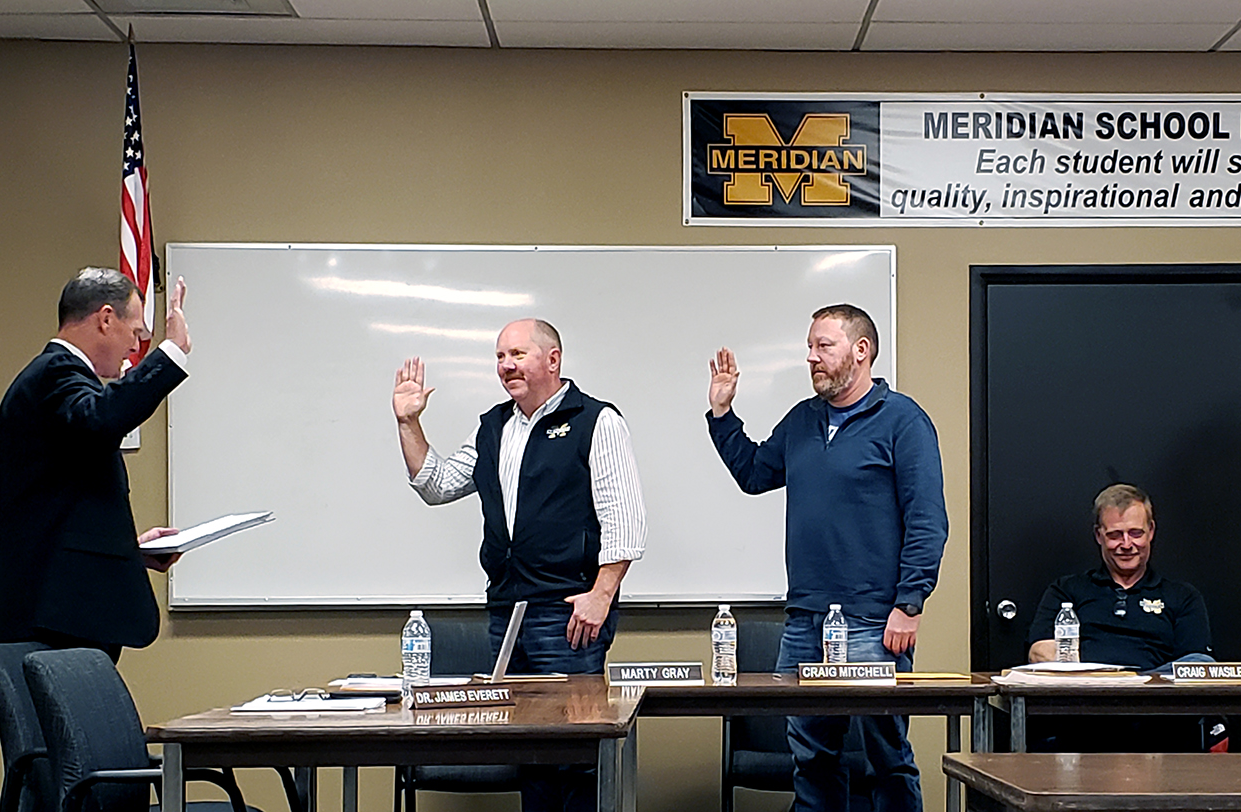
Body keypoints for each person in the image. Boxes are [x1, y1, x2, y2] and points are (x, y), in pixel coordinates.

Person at [393, 317, 644, 812]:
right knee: (530, 753)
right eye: (500, 357)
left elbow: (625, 518)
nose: (507, 366)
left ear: (553, 360)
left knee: (576, 752)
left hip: (569, 611)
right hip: (507, 612)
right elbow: (438, 485)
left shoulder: (597, 420)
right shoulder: (493, 426)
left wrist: (601, 594)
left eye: (518, 355)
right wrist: (409, 423)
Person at [706, 303, 947, 812]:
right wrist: (723, 414)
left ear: (861, 351)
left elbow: (927, 519)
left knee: (886, 755)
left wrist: (910, 602)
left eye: (824, 346)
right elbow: (754, 474)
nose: (812, 357)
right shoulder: (802, 420)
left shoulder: (903, 420)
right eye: (810, 347)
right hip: (805, 619)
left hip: (874, 619)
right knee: (811, 756)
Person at [0, 268, 191, 662]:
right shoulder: (56, 373)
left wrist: (128, 550)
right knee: (65, 727)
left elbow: (60, 504)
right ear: (106, 318)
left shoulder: (54, 378)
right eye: (135, 333)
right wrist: (172, 352)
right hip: (54, 625)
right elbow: (102, 421)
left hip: (60, 616)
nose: (134, 348)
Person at [1026, 484, 1212, 673]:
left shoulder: (1183, 597)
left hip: (1155, 695)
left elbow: (1195, 668)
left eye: (1135, 533)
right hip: (1086, 692)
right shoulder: (1066, 590)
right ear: (1099, 535)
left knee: (1202, 663)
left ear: (1151, 531)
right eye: (1115, 535)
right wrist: (1101, 674)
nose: (1126, 544)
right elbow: (1039, 652)